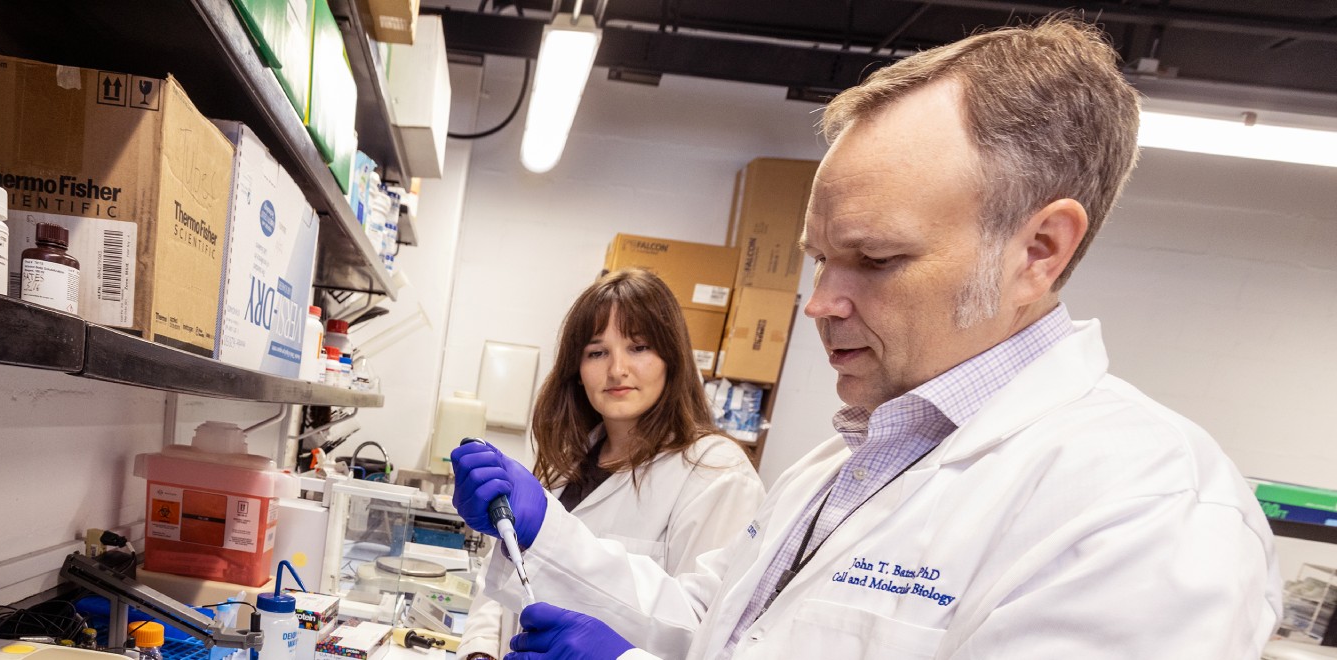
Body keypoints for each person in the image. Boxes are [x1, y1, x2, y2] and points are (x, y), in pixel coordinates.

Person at [450, 16, 1280, 660]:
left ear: (1038, 250)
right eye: (818, 260)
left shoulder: (1148, 509)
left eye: (875, 259)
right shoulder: (841, 467)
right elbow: (713, 628)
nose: (819, 303)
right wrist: (547, 534)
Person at [456, 268, 765, 660]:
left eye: (639, 347)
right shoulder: (567, 460)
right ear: (577, 371)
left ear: (672, 359)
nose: (617, 369)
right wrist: (480, 651)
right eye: (597, 352)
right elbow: (504, 573)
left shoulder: (717, 472)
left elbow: (706, 631)